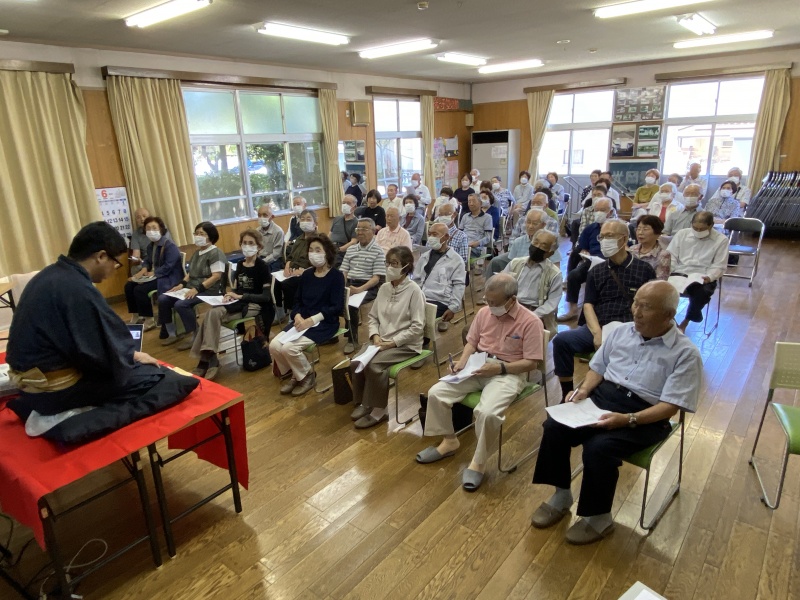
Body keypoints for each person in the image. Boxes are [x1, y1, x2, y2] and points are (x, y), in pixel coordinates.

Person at [530, 281, 702, 545]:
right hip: (603, 398)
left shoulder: (685, 353)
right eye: (636, 303)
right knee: (555, 426)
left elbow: (671, 406)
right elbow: (597, 368)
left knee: (599, 447)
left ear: (669, 315)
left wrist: (628, 419)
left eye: (646, 307)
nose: (636, 312)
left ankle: (599, 517)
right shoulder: (622, 331)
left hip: (646, 415)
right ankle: (562, 494)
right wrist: (583, 391)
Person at [6, 221, 196, 431]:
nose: (114, 269)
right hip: (54, 393)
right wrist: (130, 356)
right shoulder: (77, 289)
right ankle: (72, 420)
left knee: (137, 367)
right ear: (101, 256)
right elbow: (101, 355)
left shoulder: (49, 274)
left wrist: (128, 354)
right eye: (116, 263)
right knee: (162, 378)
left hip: (30, 386)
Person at [416, 274, 544, 492]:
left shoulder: (531, 322)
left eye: (495, 302)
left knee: (487, 412)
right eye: (487, 300)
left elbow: (532, 363)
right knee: (436, 392)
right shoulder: (485, 313)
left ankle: (479, 462)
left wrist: (500, 368)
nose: (490, 306)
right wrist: (462, 362)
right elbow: (472, 342)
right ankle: (449, 440)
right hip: (478, 365)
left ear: (512, 300)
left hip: (509, 372)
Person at [553, 220, 656, 401]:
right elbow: (588, 304)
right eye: (601, 237)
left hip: (631, 329)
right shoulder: (597, 270)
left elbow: (651, 305)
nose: (604, 241)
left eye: (609, 236)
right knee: (562, 340)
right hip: (600, 325)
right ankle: (566, 394)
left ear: (624, 239)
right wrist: (597, 333)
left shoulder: (644, 269)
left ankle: (614, 394)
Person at [349, 246, 426, 428]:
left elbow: (417, 327)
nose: (390, 267)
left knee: (375, 366)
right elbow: (373, 317)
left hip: (405, 344)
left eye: (395, 264)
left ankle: (379, 411)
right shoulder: (384, 288)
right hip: (381, 340)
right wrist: (375, 335)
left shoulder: (414, 291)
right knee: (356, 361)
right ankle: (365, 402)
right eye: (388, 263)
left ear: (406, 266)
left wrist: (392, 343)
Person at [190, 229, 274, 380]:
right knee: (211, 314)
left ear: (259, 247)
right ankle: (209, 357)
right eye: (244, 243)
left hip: (255, 305)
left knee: (212, 315)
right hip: (239, 302)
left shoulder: (262, 266)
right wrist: (230, 295)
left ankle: (206, 359)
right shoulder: (240, 264)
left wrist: (240, 296)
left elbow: (265, 297)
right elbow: (238, 288)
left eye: (251, 243)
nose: (247, 246)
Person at [269, 234, 345, 396]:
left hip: (325, 323)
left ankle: (307, 375)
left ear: (327, 253)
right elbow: (297, 301)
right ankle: (297, 374)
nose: (313, 253)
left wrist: (311, 320)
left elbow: (336, 307)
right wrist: (297, 315)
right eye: (311, 250)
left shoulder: (336, 277)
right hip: (302, 321)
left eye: (318, 250)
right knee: (274, 346)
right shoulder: (307, 275)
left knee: (289, 348)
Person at [158, 222, 226, 350]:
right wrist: (181, 284)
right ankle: (172, 333)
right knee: (163, 299)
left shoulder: (216, 253)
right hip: (192, 287)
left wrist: (197, 289)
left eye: (202, 234)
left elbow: (216, 276)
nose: (198, 236)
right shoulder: (197, 253)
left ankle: (196, 335)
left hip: (209, 290)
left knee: (181, 304)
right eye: (196, 233)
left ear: (210, 236)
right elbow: (191, 273)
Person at [667, 211, 729, 333]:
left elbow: (719, 265)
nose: (698, 231)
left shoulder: (721, 240)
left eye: (702, 229)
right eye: (695, 228)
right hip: (679, 271)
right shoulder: (682, 234)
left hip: (703, 275)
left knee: (702, 292)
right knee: (661, 289)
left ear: (711, 225)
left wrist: (710, 277)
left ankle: (686, 321)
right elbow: (671, 256)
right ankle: (670, 320)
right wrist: (670, 271)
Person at [559, 198, 615, 322]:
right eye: (596, 210)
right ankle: (573, 309)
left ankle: (594, 312)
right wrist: (584, 252)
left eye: (603, 210)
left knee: (593, 279)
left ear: (610, 212)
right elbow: (582, 246)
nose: (599, 213)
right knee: (574, 276)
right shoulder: (591, 228)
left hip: (612, 262)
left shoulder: (617, 228)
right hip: (592, 260)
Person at [124, 216, 183, 331]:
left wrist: (154, 273)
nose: (151, 231)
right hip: (155, 275)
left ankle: (149, 319)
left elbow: (169, 266)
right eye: (148, 228)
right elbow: (147, 260)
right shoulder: (151, 245)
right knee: (129, 286)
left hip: (168, 277)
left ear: (161, 229)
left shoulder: (169, 245)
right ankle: (136, 315)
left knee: (140, 289)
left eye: (154, 228)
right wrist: (144, 269)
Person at [340, 218, 386, 354]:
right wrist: (342, 286)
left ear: (373, 231)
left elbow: (376, 278)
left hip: (368, 287)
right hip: (350, 284)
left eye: (364, 229)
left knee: (350, 305)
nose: (360, 232)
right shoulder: (351, 249)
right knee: (331, 299)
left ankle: (352, 340)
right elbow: (344, 271)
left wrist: (359, 289)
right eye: (358, 229)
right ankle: (332, 334)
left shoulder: (378, 251)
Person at [503, 230, 562, 335]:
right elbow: (501, 285)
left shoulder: (554, 274)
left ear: (550, 253)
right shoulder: (515, 263)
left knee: (516, 335)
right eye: (535, 242)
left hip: (536, 312)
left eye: (543, 245)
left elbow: (551, 304)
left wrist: (530, 316)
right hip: (511, 306)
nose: (537, 247)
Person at [413, 222, 466, 333]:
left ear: (446, 237)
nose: (431, 238)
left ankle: (419, 341)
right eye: (429, 234)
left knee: (417, 318)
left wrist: (453, 308)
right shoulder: (425, 256)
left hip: (439, 300)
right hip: (420, 297)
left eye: (435, 234)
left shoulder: (456, 261)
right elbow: (416, 280)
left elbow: (459, 286)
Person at [486, 208, 561, 282]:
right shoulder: (518, 241)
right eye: (528, 222)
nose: (530, 226)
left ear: (543, 225)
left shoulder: (548, 243)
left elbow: (556, 269)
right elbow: (512, 265)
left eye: (535, 223)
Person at [276, 209, 318, 312]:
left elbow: (319, 263)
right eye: (302, 219)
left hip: (307, 272)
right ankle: (281, 312)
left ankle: (294, 312)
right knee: (276, 282)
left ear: (315, 223)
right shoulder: (299, 239)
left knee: (288, 284)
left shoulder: (318, 240)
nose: (305, 222)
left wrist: (302, 271)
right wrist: (287, 267)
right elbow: (290, 257)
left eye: (308, 219)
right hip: (292, 271)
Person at [630, 215, 671, 280]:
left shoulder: (663, 255)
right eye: (638, 229)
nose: (640, 233)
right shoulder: (631, 250)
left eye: (645, 229)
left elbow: (660, 280)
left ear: (657, 233)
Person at [460, 193, 494, 258]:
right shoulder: (465, 216)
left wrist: (477, 243)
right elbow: (460, 232)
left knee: (458, 254)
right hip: (463, 245)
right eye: (469, 201)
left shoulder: (487, 217)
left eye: (474, 201)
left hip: (475, 248)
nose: (471, 204)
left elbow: (488, 238)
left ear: (480, 203)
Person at [329, 194, 359, 264]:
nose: (345, 205)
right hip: (331, 248)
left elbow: (353, 242)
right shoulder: (337, 219)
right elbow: (330, 234)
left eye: (348, 203)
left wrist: (339, 249)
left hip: (342, 251)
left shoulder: (356, 222)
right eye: (343, 203)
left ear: (354, 207)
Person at [256, 204, 285, 272]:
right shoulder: (257, 231)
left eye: (265, 215)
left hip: (274, 260)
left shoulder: (278, 231)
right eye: (259, 215)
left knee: (262, 272)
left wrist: (262, 262)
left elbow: (276, 254)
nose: (261, 218)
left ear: (272, 217)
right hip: (260, 258)